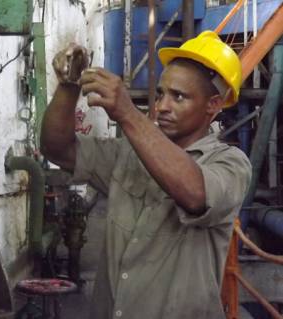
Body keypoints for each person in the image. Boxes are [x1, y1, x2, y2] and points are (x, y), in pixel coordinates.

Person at [40, 31, 252, 319]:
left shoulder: (231, 164)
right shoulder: (128, 154)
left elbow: (195, 194)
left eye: (179, 97)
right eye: (162, 94)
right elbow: (57, 148)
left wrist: (128, 113)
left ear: (212, 105)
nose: (162, 106)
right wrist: (68, 86)